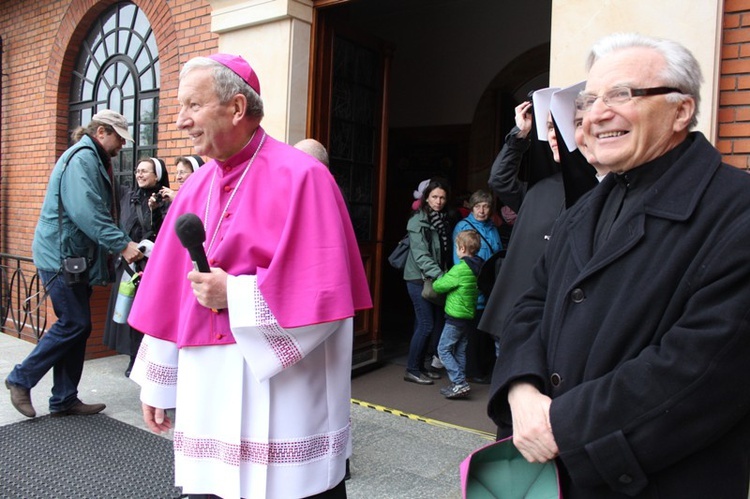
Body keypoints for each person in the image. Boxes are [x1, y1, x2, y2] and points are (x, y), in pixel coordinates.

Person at [488, 33, 750, 498]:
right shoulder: (581, 212)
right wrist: (521, 391)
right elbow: (529, 307)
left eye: (621, 95)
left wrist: (560, 425)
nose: (595, 113)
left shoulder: (736, 210)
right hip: (550, 473)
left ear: (681, 110)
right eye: (588, 100)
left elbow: (701, 370)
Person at [126, 53, 371, 499]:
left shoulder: (305, 177)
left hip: (284, 393)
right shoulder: (194, 187)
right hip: (208, 390)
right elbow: (169, 293)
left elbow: (323, 292)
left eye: (192, 106)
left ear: (236, 108)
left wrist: (234, 294)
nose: (181, 121)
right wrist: (160, 382)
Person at [5, 110, 143, 418]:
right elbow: (87, 212)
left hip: (72, 257)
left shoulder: (91, 158)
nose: (122, 144)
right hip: (60, 257)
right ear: (102, 132)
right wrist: (122, 244)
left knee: (78, 326)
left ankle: (64, 398)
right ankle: (20, 379)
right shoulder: (82, 159)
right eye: (119, 138)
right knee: (75, 323)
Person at [478, 87, 605, 348]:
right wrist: (519, 135)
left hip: (561, 326)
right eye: (548, 127)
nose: (554, 134)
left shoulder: (603, 190)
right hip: (516, 318)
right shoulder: (540, 188)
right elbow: (499, 179)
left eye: (562, 125)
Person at [103, 157, 171, 376]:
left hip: (151, 267)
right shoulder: (127, 197)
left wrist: (155, 212)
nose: (139, 175)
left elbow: (162, 232)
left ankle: (146, 360)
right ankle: (133, 359)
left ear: (157, 175)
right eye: (137, 171)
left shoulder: (164, 200)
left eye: (145, 171)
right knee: (129, 313)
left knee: (147, 315)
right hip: (128, 265)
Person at [402, 178, 451, 385]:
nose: (438, 201)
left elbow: (443, 252)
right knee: (426, 325)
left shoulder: (440, 219)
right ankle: (412, 369)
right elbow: (421, 255)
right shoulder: (417, 221)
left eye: (442, 197)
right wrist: (441, 276)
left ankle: (420, 366)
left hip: (432, 278)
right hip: (418, 279)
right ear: (426, 198)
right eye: (434, 197)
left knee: (422, 324)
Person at [452, 190, 502, 383]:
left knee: (486, 327)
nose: (482, 210)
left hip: (491, 284)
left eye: (486, 206)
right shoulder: (463, 227)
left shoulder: (492, 226)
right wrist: (473, 282)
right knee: (473, 330)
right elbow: (460, 260)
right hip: (474, 283)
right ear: (471, 207)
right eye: (478, 206)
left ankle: (483, 368)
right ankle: (473, 370)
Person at [434, 229, 482, 399]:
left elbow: (439, 286)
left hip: (455, 317)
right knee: (460, 350)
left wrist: (442, 277)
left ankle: (459, 382)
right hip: (468, 316)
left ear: (461, 249)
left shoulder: (460, 269)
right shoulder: (478, 266)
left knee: (443, 350)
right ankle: (459, 384)